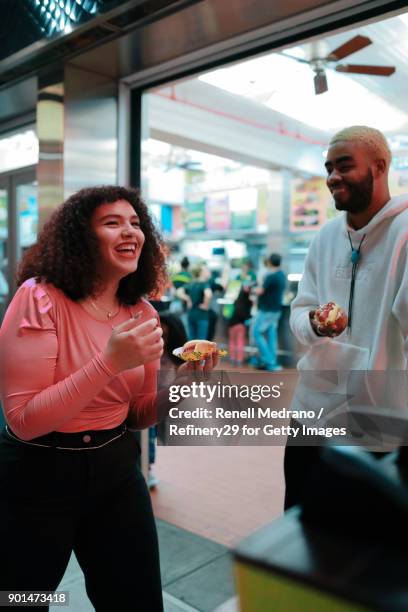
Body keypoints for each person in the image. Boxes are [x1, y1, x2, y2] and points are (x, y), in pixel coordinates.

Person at [0, 185, 218, 612]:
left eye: (136, 224)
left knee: (135, 601)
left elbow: (136, 415)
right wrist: (109, 362)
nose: (130, 232)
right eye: (112, 223)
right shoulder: (40, 297)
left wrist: (180, 389)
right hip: (37, 473)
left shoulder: (143, 313)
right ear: (82, 237)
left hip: (115, 472)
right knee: (20, 600)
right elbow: (24, 418)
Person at [285, 125, 408, 509]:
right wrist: (315, 324)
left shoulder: (404, 233)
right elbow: (299, 313)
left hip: (378, 424)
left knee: (364, 546)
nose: (333, 177)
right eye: (328, 168)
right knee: (299, 520)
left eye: (344, 165)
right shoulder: (324, 237)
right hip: (311, 413)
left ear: (379, 167)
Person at [252, 253, 286, 371]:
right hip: (276, 310)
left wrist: (253, 289)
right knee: (272, 336)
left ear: (270, 262)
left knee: (256, 333)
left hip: (266, 310)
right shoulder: (282, 275)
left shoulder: (270, 276)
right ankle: (272, 363)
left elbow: (261, 291)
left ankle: (268, 359)